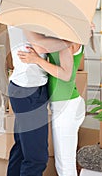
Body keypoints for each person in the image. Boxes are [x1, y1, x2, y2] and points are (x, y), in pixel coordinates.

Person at [17, 32, 86, 176]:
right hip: (67, 104)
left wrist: (37, 60)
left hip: (67, 107)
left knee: (65, 166)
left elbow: (66, 75)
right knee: (64, 164)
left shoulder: (67, 41)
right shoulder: (66, 38)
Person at [6, 26, 71, 176]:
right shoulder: (23, 15)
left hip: (33, 88)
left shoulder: (34, 15)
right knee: (37, 158)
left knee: (22, 150)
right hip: (27, 90)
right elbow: (40, 45)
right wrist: (70, 41)